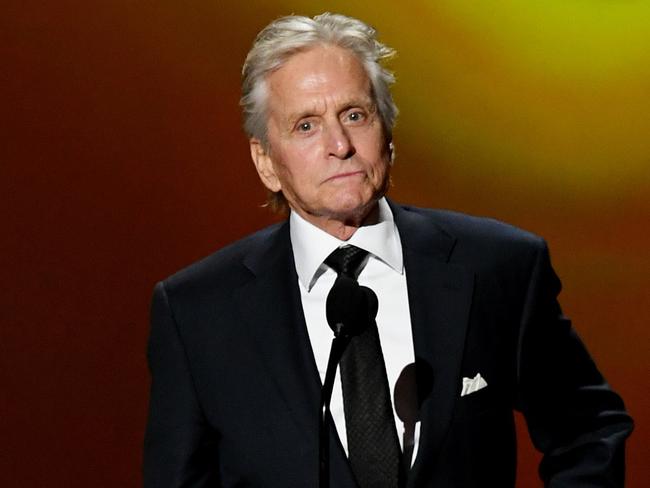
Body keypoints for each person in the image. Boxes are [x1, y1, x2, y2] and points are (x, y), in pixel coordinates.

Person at [143, 13, 633, 488]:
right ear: (266, 162)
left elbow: (590, 429)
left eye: (355, 115)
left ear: (388, 133)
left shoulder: (497, 267)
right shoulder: (198, 312)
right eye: (306, 126)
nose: (340, 144)